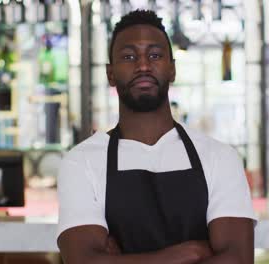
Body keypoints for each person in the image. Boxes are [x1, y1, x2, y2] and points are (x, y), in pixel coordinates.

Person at [57, 10, 257, 264]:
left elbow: (237, 260)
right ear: (110, 74)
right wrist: (190, 253)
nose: (143, 65)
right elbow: (83, 262)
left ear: (172, 70)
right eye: (129, 56)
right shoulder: (81, 162)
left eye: (154, 55)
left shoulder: (220, 157)